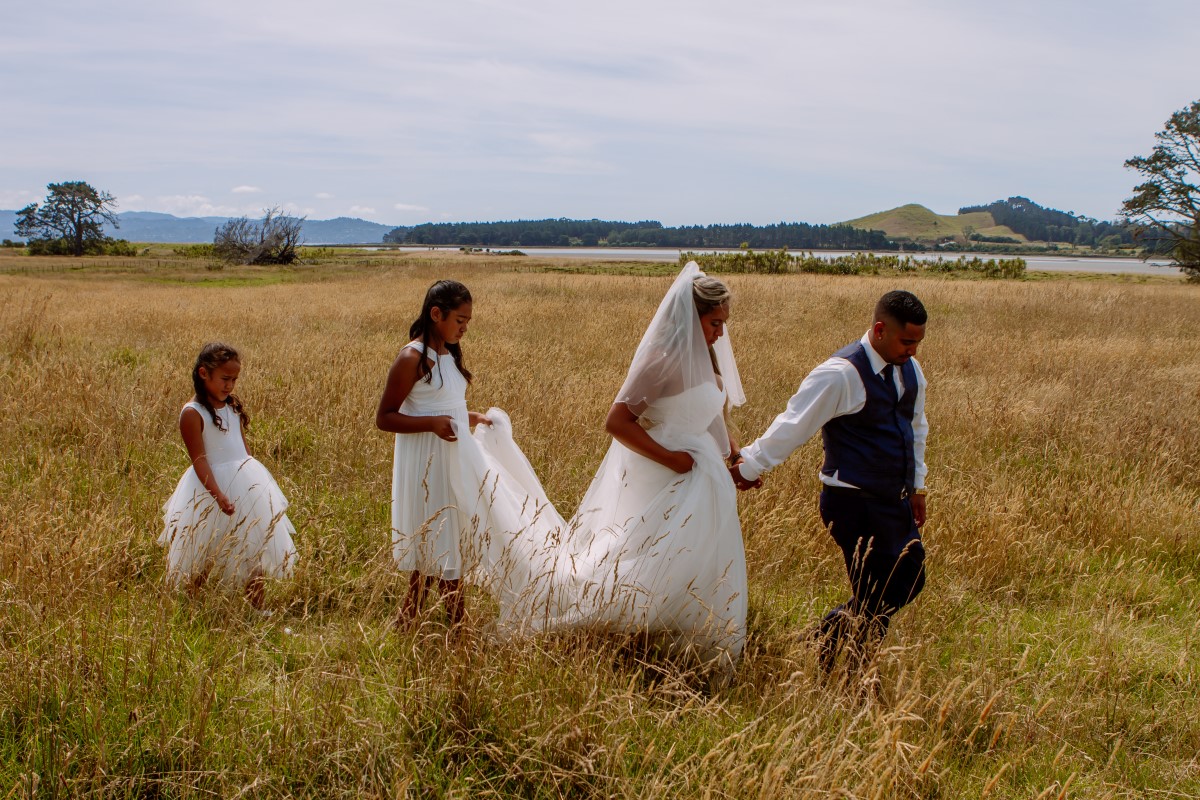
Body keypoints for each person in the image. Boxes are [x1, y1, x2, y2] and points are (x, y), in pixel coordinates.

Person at [474, 262, 749, 670]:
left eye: (724, 323)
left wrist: (734, 455)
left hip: (702, 473)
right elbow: (617, 422)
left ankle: (687, 629)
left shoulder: (706, 361)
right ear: (691, 318)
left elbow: (710, 417)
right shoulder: (661, 362)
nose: (720, 333)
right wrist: (672, 459)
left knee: (698, 554)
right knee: (652, 556)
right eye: (714, 323)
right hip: (666, 471)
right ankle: (616, 621)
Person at [731, 290, 929, 675]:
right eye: (907, 341)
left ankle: (825, 637)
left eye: (918, 342)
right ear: (879, 330)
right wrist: (748, 466)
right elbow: (793, 425)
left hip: (894, 500)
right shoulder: (841, 374)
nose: (913, 350)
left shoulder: (910, 370)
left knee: (910, 575)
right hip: (852, 502)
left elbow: (916, 428)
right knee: (875, 591)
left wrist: (917, 485)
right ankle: (855, 679)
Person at [375, 279, 494, 630]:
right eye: (460, 320)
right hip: (427, 460)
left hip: (452, 457)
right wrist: (431, 424)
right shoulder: (412, 357)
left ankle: (409, 618)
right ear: (436, 314)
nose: (464, 328)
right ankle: (457, 626)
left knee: (442, 538)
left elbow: (444, 404)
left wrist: (469, 417)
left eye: (468, 321)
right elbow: (385, 418)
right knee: (442, 539)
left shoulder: (448, 354)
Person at [160, 342, 298, 611]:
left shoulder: (232, 406)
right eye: (225, 379)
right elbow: (199, 460)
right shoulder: (192, 413)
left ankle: (258, 610)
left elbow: (244, 450)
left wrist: (257, 483)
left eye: (234, 380)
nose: (230, 386)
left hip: (245, 485)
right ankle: (191, 609)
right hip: (210, 487)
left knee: (252, 549)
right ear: (204, 373)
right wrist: (218, 495)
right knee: (204, 551)